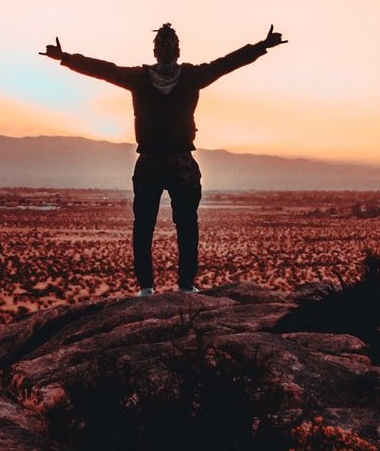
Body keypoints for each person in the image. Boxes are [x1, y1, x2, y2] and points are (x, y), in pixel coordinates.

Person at [40, 23, 287, 295]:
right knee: (186, 225)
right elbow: (227, 63)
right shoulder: (191, 76)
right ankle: (185, 286)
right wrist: (262, 46)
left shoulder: (140, 78)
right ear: (177, 51)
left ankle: (147, 287)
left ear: (155, 51)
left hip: (150, 162)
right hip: (181, 163)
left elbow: (103, 69)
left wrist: (65, 58)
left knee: (145, 226)